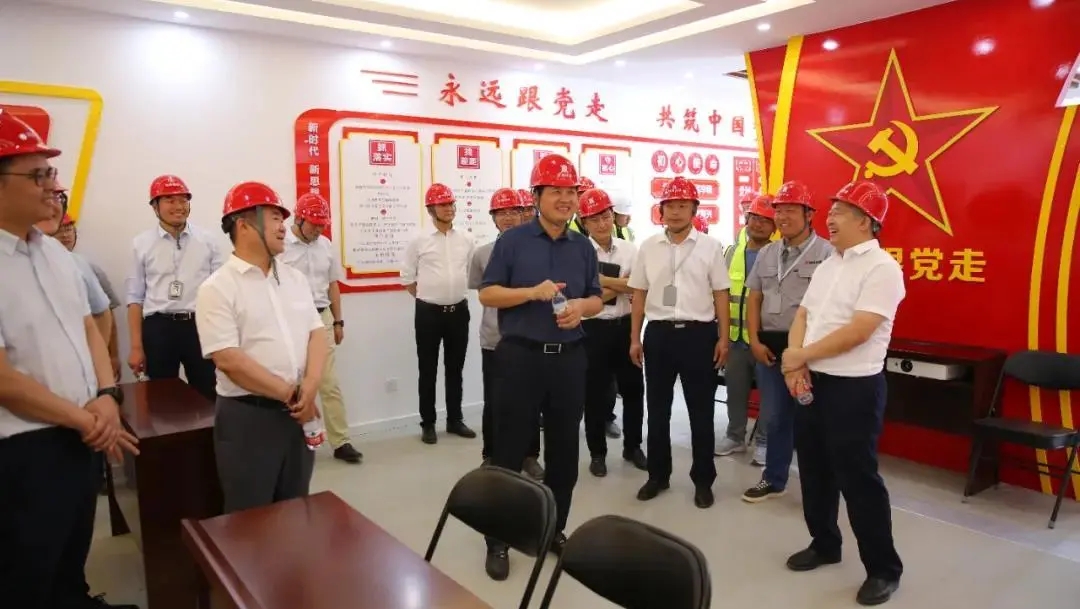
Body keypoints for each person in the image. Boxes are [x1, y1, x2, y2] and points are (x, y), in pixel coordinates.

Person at [0, 109, 140, 609]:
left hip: (82, 430)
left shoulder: (56, 254)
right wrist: (87, 418)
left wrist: (106, 395)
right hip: (25, 446)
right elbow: (3, 380)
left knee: (73, 545)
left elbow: (88, 328)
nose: (51, 186)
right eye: (37, 175)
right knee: (26, 566)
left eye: (51, 173)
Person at [779, 181, 904, 606]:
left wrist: (800, 356)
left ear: (865, 221)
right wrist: (797, 362)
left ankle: (883, 569)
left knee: (858, 479)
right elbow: (804, 314)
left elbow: (860, 330)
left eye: (839, 212)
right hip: (814, 380)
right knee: (814, 470)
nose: (829, 219)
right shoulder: (830, 264)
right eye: (830, 211)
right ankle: (825, 543)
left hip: (854, 388)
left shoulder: (882, 268)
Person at [479, 153, 603, 575]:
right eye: (556, 191)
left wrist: (581, 308)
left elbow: (596, 297)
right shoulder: (512, 241)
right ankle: (497, 539)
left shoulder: (582, 245)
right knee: (509, 452)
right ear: (536, 196)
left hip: (569, 360)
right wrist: (531, 293)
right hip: (521, 358)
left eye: (571, 192)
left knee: (565, 453)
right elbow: (488, 293)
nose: (565, 199)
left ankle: (552, 529)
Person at [195, 181, 327, 514]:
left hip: (298, 413)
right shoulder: (217, 288)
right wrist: (292, 395)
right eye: (274, 218)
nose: (284, 227)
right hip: (248, 418)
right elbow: (229, 360)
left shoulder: (295, 279)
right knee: (251, 517)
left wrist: (310, 386)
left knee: (295, 508)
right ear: (243, 225)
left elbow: (316, 334)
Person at [628, 176, 729, 508]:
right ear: (661, 210)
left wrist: (723, 338)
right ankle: (658, 476)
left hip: (699, 336)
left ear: (694, 209)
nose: (675, 211)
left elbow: (721, 294)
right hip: (658, 335)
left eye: (682, 205)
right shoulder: (648, 247)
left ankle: (703, 480)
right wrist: (635, 338)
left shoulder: (710, 247)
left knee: (701, 413)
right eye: (669, 205)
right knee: (657, 411)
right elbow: (639, 294)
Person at [742, 183, 833, 502]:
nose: (783, 217)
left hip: (809, 352)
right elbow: (754, 298)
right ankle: (774, 478)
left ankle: (817, 486)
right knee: (775, 416)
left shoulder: (827, 254)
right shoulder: (767, 253)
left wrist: (807, 354)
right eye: (779, 211)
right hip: (769, 349)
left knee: (812, 420)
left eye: (791, 210)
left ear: (809, 215)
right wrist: (754, 340)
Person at [278, 192, 362, 464]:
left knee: (329, 383)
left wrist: (338, 321)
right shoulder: (280, 246)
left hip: (321, 318)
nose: (318, 230)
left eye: (322, 225)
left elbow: (333, 284)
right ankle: (295, 442)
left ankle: (341, 441)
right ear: (299, 219)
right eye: (313, 225)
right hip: (290, 320)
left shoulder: (325, 245)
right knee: (291, 385)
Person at [126, 175, 226, 400]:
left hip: (199, 325)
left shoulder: (208, 241)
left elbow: (220, 292)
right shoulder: (141, 244)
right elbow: (135, 298)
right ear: (155, 206)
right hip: (159, 327)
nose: (179, 206)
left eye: (183, 200)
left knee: (209, 393)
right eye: (170, 200)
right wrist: (136, 347)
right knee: (162, 397)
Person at [576, 188, 646, 477]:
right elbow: (582, 296)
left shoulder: (630, 249)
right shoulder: (579, 252)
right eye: (594, 219)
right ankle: (597, 453)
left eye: (605, 216)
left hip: (625, 327)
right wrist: (621, 283)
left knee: (634, 390)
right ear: (584, 222)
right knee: (594, 395)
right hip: (592, 330)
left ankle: (633, 446)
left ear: (613, 216)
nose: (602, 223)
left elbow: (638, 286)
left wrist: (601, 280)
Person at [401, 183, 477, 444]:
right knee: (428, 369)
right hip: (428, 313)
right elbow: (408, 278)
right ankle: (428, 423)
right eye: (443, 204)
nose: (449, 208)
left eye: (451, 203)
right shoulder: (418, 239)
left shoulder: (466, 238)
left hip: (459, 311)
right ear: (431, 209)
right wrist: (430, 299)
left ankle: (455, 420)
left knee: (455, 369)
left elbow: (471, 271)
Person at [715, 194, 776, 464]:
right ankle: (735, 437)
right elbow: (719, 293)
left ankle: (764, 441)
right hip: (735, 339)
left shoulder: (778, 255)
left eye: (766, 220)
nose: (758, 224)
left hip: (765, 340)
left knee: (770, 396)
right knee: (735, 392)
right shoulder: (730, 253)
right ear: (746, 219)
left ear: (774, 226)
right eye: (754, 218)